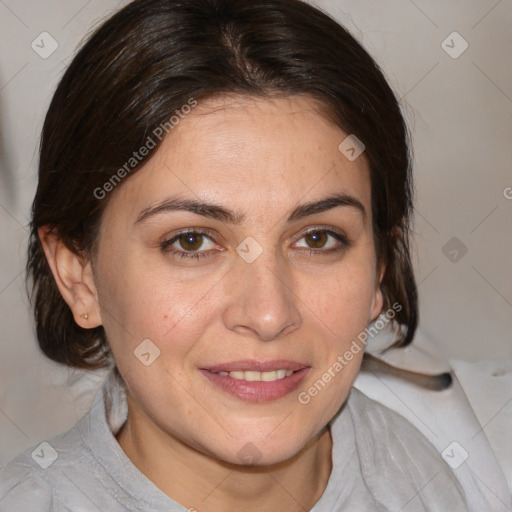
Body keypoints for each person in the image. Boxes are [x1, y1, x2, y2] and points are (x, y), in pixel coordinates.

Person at [0, 0, 470, 510]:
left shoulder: (421, 475)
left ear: (380, 266)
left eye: (317, 238)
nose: (269, 314)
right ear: (79, 275)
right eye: (192, 241)